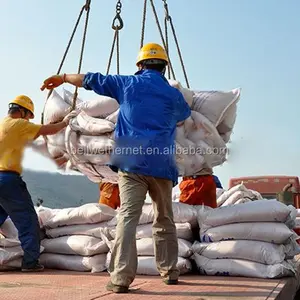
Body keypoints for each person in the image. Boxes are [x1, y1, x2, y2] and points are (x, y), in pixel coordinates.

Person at [41, 42, 191, 293]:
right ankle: (169, 272)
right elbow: (184, 115)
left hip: (131, 164)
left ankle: (121, 278)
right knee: (164, 219)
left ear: (140, 65)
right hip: (162, 165)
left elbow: (91, 79)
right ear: (164, 67)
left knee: (128, 219)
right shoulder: (173, 95)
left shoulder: (127, 84)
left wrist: (63, 78)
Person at [0, 95, 77, 272]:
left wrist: (62, 159)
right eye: (28, 116)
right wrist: (65, 122)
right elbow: (48, 130)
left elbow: (36, 156)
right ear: (22, 111)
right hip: (8, 181)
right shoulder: (18, 124)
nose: (28, 120)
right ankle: (30, 262)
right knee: (27, 220)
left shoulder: (3, 126)